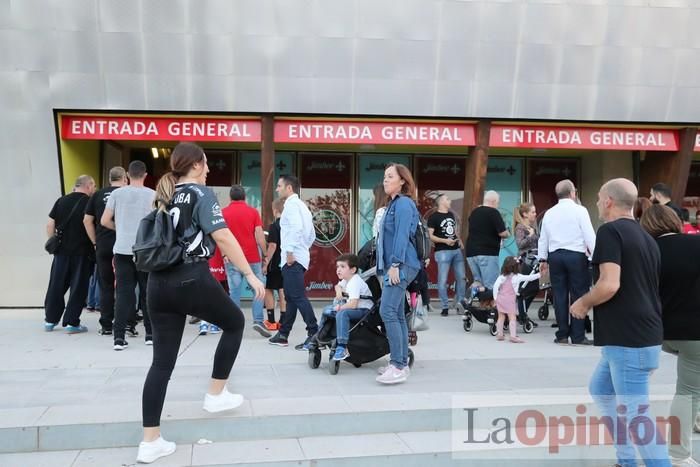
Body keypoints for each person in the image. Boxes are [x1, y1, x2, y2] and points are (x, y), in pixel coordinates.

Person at [137, 142, 265, 464]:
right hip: (190, 278)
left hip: (157, 284)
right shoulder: (200, 194)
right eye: (206, 164)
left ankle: (150, 441)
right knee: (235, 323)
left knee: (161, 365)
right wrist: (250, 275)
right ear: (195, 165)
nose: (208, 170)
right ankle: (216, 394)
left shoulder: (166, 196)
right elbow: (222, 236)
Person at [570, 178, 671, 467]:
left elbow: (609, 284)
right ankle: (626, 460)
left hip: (629, 340)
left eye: (600, 198)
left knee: (637, 415)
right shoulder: (645, 238)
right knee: (601, 390)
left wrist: (583, 302)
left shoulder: (610, 232)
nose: (598, 202)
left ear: (610, 201)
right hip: (637, 337)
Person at [640, 205, 700, 466]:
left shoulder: (645, 252)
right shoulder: (695, 245)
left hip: (656, 332)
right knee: (687, 392)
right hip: (694, 332)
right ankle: (678, 454)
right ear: (675, 221)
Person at [101, 161, 155, 350]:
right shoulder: (152, 195)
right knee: (147, 291)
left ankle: (118, 338)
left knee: (123, 293)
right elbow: (157, 223)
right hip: (144, 251)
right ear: (145, 175)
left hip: (122, 249)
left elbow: (104, 220)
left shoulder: (116, 194)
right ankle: (150, 334)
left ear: (127, 176)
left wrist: (121, 228)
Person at [375, 163, 421, 385]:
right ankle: (400, 361)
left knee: (388, 311)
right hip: (397, 265)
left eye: (390, 176)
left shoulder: (403, 204)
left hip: (402, 265)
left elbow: (402, 236)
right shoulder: (393, 204)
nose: (385, 180)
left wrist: (394, 265)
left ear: (402, 181)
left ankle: (398, 366)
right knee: (397, 313)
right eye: (384, 176)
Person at [538, 179, 596, 346]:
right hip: (576, 256)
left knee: (560, 294)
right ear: (573, 193)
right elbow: (589, 235)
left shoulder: (549, 213)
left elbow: (544, 238)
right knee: (579, 293)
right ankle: (578, 335)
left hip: (555, 256)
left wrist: (543, 258)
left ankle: (562, 334)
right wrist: (597, 255)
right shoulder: (580, 210)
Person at [268, 175, 319, 349]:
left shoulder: (290, 205)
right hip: (299, 256)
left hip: (292, 258)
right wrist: (303, 248)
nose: (277, 189)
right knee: (290, 297)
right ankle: (283, 334)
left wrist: (290, 251)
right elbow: (311, 234)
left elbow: (296, 228)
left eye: (279, 185)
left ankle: (314, 333)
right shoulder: (302, 206)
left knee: (297, 296)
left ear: (289, 188)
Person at [44, 175, 96, 333]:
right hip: (82, 252)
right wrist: (95, 243)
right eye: (93, 186)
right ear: (88, 186)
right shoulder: (89, 202)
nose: (94, 189)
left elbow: (50, 224)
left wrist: (54, 240)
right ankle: (72, 323)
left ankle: (50, 321)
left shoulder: (61, 200)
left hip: (61, 253)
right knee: (78, 287)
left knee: (56, 285)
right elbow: (89, 224)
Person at [83, 166, 127, 336]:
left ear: (110, 179)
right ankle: (128, 322)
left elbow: (87, 220)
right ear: (124, 178)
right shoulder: (127, 194)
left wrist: (95, 242)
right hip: (124, 245)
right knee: (126, 285)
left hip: (103, 245)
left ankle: (106, 324)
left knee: (106, 285)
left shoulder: (97, 195)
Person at [221, 185, 270, 338]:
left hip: (232, 257)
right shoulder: (253, 212)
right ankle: (258, 321)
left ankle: (235, 324)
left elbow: (220, 235)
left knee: (234, 292)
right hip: (252, 257)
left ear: (230, 198)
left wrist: (224, 254)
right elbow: (259, 235)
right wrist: (265, 255)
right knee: (258, 289)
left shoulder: (223, 213)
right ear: (244, 197)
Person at [316, 254, 374, 361]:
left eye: (342, 267)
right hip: (354, 308)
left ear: (353, 270)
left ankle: (342, 347)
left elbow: (353, 304)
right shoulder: (346, 279)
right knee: (327, 310)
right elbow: (338, 286)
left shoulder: (354, 282)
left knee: (342, 313)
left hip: (364, 310)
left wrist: (340, 307)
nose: (338, 270)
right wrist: (338, 291)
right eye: (337, 267)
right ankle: (319, 336)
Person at [427, 193, 467, 316]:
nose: (450, 201)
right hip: (442, 251)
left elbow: (453, 231)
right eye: (447, 199)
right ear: (441, 202)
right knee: (442, 280)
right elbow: (431, 236)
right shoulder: (433, 217)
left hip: (456, 250)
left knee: (462, 278)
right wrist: (445, 241)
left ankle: (460, 303)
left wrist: (459, 240)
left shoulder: (451, 215)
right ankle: (445, 306)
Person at [465, 190, 509, 290]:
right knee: (491, 284)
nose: (498, 205)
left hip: (471, 253)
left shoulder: (474, 212)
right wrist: (508, 233)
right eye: (498, 202)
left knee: (478, 282)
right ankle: (490, 305)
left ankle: (466, 300)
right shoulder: (493, 212)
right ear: (493, 201)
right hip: (487, 253)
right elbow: (502, 233)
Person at [492, 256, 540, 344]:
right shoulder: (518, 277)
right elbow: (529, 278)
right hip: (510, 300)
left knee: (501, 317)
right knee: (512, 317)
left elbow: (495, 287)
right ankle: (513, 336)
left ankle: (500, 334)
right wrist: (540, 274)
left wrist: (495, 298)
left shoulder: (501, 277)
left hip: (501, 298)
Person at [513, 202, 539, 326]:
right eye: (532, 212)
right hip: (525, 262)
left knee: (534, 288)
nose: (535, 214)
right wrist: (532, 236)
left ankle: (523, 313)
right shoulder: (520, 228)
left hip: (535, 261)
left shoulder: (533, 226)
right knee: (524, 289)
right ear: (525, 214)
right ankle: (521, 315)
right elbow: (520, 244)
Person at [263, 198, 286, 331]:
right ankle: (283, 321)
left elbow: (272, 245)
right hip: (286, 262)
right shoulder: (289, 225)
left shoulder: (274, 226)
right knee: (283, 290)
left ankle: (271, 321)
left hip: (275, 262)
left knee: (269, 289)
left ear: (275, 210)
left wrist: (266, 262)